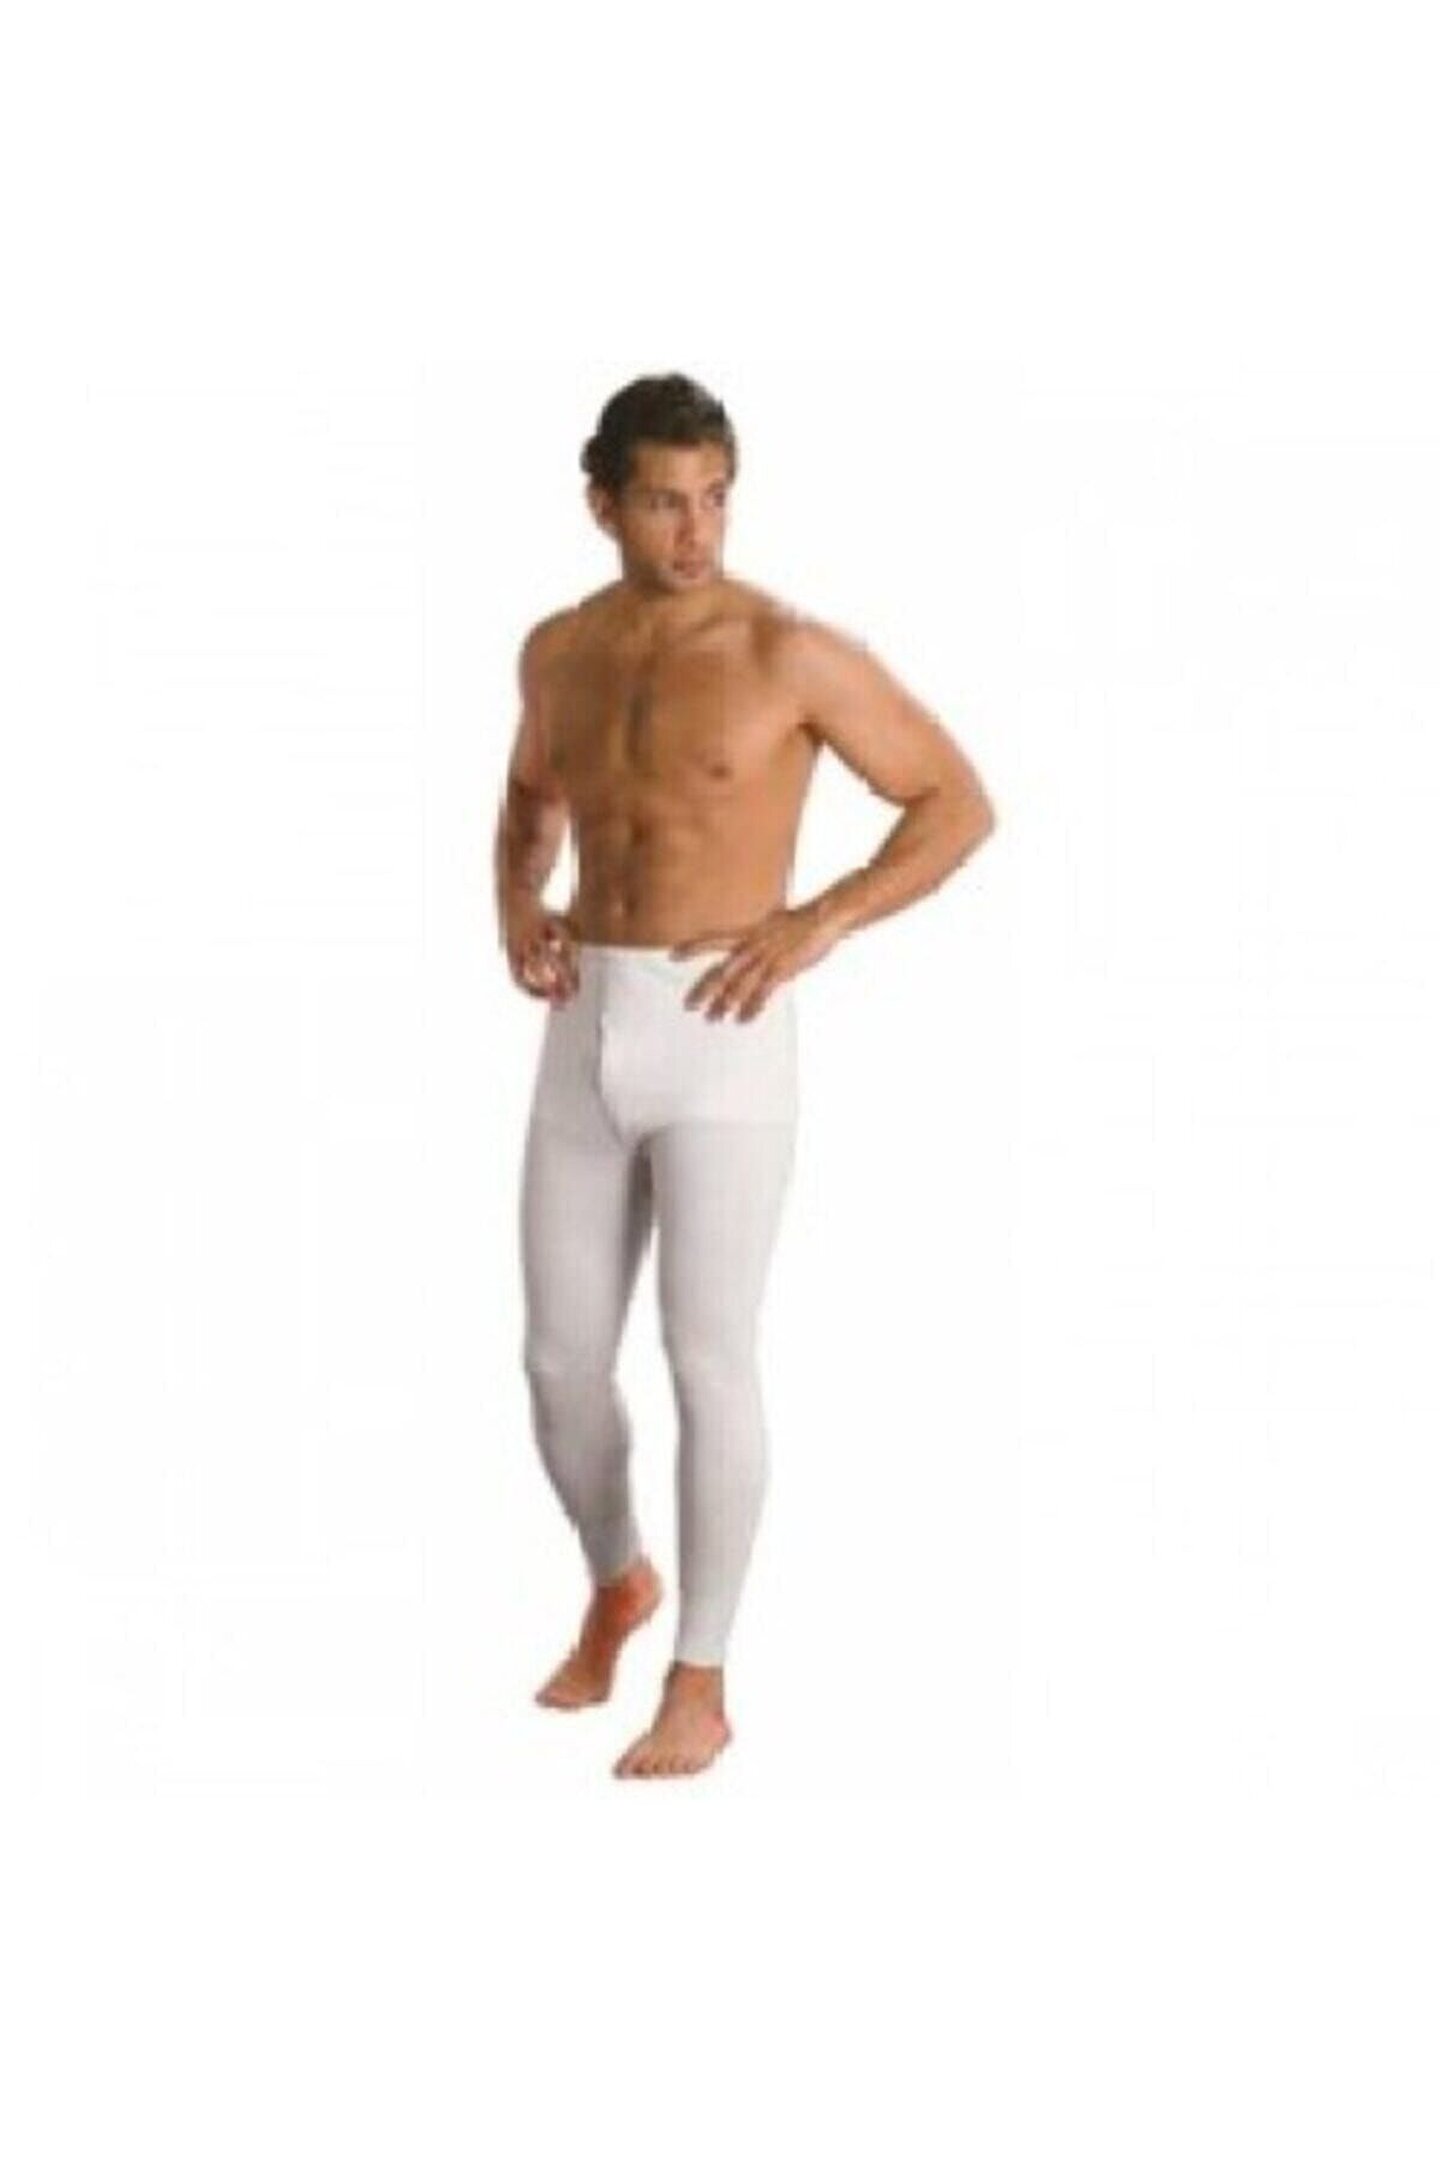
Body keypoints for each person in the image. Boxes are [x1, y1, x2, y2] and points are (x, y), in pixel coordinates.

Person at [495, 372, 997, 1777]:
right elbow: (531, 795)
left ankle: (700, 1677)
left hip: (723, 1029)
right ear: (603, 504)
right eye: (665, 501)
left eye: (715, 497)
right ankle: (619, 1579)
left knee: (707, 1355)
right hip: (583, 1027)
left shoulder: (790, 651)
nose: (697, 529)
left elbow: (956, 801)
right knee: (557, 1363)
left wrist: (817, 920)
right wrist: (515, 901)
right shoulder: (558, 650)